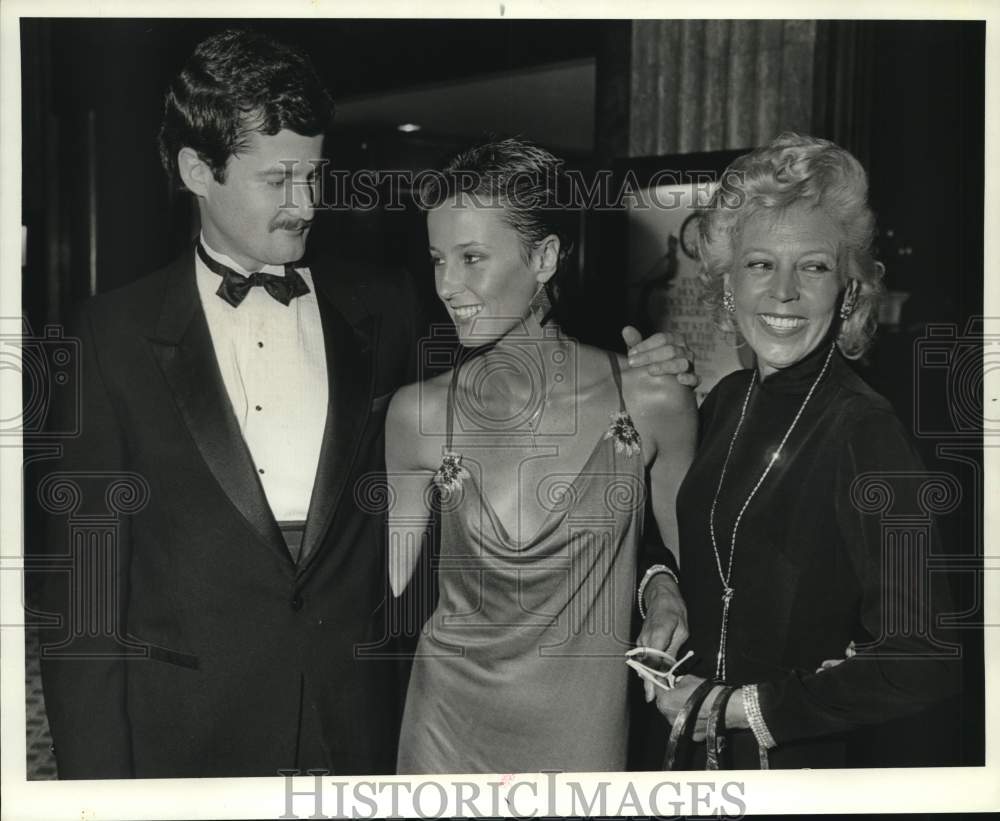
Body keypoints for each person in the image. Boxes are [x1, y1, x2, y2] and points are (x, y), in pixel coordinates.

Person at [34, 31, 693, 779]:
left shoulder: (388, 307)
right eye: (279, 179)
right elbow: (83, 600)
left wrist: (656, 557)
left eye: (314, 175)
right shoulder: (107, 337)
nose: (307, 202)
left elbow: (538, 437)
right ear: (197, 171)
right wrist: (93, 794)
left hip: (364, 730)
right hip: (188, 738)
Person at [631, 133, 961, 769]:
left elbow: (924, 659)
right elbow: (664, 532)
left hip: (786, 769)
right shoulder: (726, 401)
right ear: (728, 284)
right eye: (760, 265)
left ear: (849, 292)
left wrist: (735, 709)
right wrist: (663, 590)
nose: (783, 292)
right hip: (684, 752)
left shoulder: (866, 431)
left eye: (813, 267)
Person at [386, 139, 698, 774]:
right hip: (442, 733)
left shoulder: (652, 399)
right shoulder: (418, 413)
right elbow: (379, 594)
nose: (446, 285)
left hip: (581, 738)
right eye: (438, 260)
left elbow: (697, 567)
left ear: (545, 257)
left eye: (472, 258)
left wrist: (662, 587)